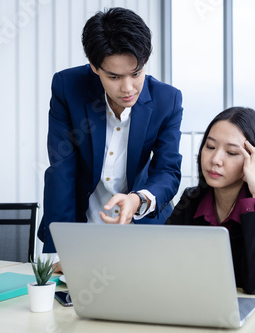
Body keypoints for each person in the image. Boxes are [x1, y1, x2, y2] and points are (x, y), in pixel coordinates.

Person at [37, 8, 183, 258]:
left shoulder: (166, 100)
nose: (128, 88)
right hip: (83, 226)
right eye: (114, 76)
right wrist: (59, 247)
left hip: (143, 228)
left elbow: (167, 171)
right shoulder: (68, 87)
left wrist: (138, 200)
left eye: (136, 73)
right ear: (94, 67)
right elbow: (61, 169)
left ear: (145, 61)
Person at [166, 107, 255, 294]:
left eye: (231, 152)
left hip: (252, 315)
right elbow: (163, 262)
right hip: (193, 304)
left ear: (253, 160)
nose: (215, 159)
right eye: (210, 147)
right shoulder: (191, 201)